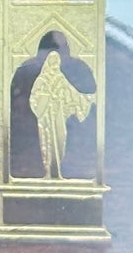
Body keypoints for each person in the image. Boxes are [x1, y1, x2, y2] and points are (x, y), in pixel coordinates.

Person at [29, 50, 95, 178]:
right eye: (52, 62)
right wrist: (47, 97)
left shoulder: (60, 78)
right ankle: (49, 171)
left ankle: (57, 168)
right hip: (47, 118)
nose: (54, 65)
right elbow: (34, 99)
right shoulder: (41, 81)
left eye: (56, 62)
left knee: (61, 137)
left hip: (59, 116)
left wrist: (87, 98)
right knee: (48, 142)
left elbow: (73, 94)